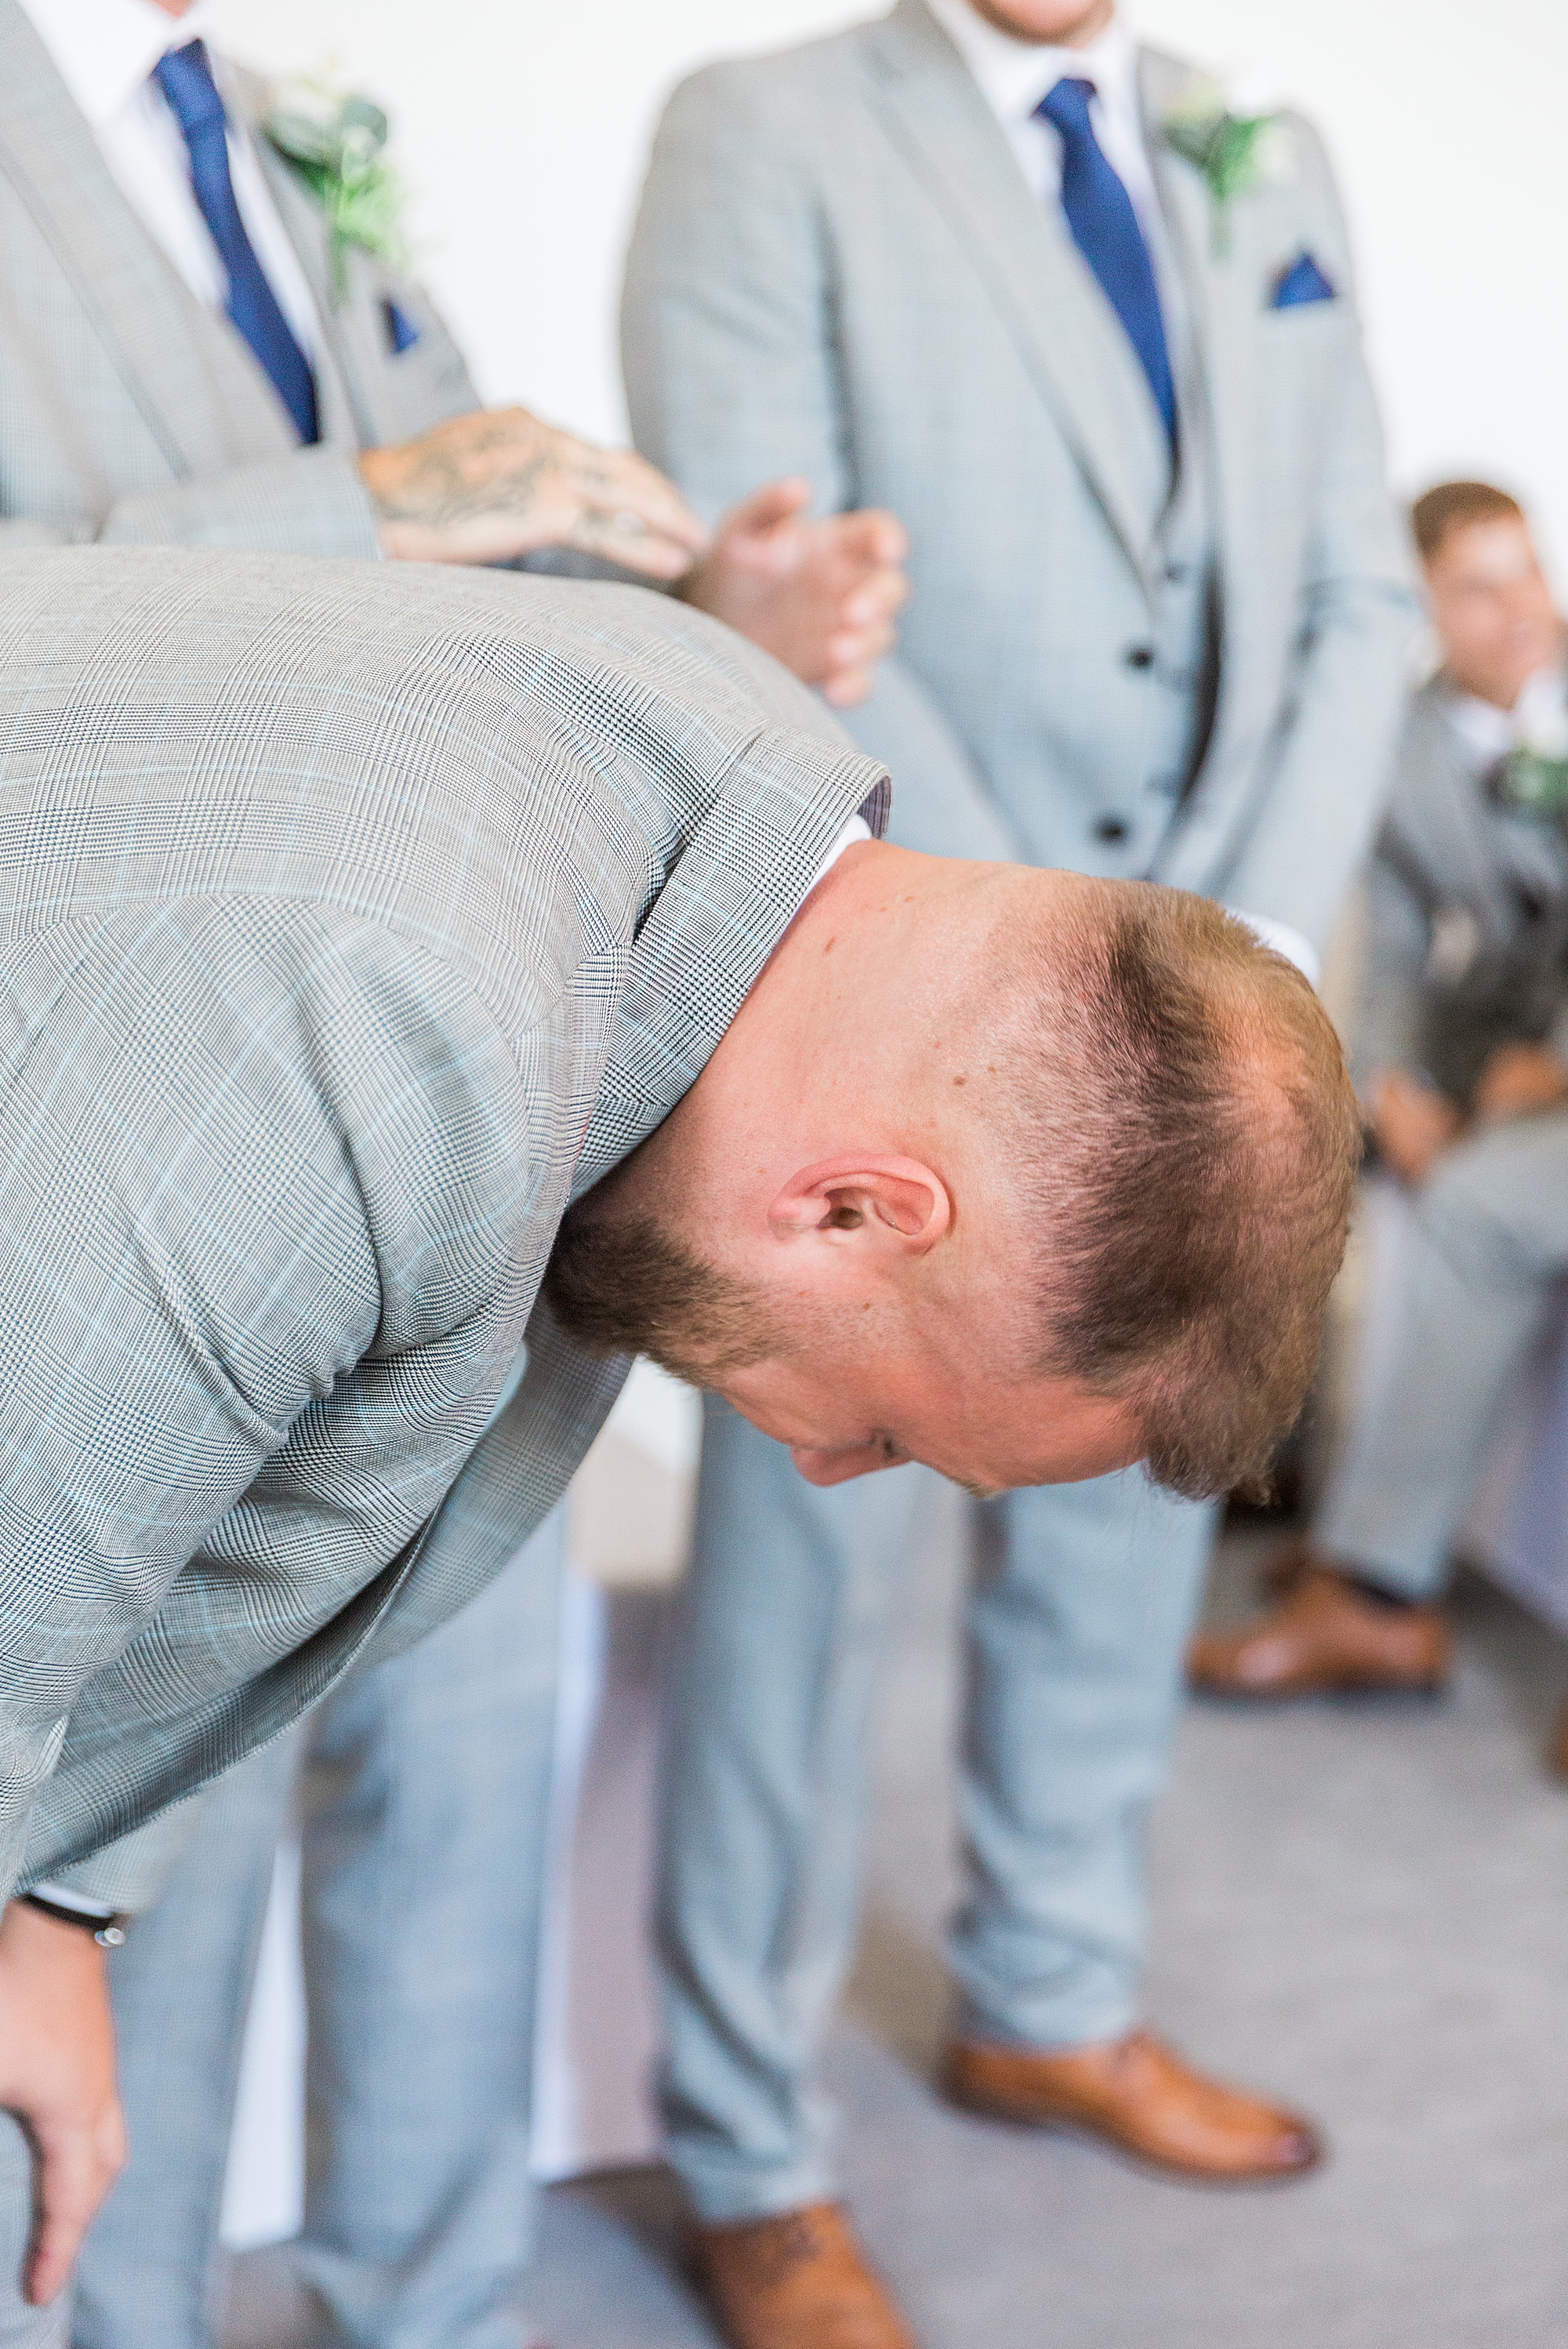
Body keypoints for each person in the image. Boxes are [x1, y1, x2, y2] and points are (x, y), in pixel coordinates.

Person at [0, 542, 1362, 2349]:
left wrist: (59, 1902)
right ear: (862, 1209)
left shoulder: (738, 807)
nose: (819, 1465)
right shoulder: (394, 1026)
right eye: (884, 1428)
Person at [0, 3, 905, 2342]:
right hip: (138, 1139)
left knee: (471, 1772)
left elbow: (482, 626)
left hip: (472, 1154)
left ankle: (444, 2301)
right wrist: (379, 507)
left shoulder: (299, 146)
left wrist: (723, 636)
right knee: (119, 1861)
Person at [621, 0, 1416, 2336]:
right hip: (909, 1001)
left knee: (1128, 1500)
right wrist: (1057, 968)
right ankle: (748, 2145)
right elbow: (782, 611)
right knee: (808, 1566)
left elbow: (1361, 584)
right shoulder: (756, 130)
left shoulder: (1258, 149)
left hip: (1215, 967)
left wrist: (1234, 947)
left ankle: (1046, 1994)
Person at [1190, 479, 1568, 1781]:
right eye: (1481, 586)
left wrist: (1550, 1076)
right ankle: (1274, 1472)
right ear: (1419, 610)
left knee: (1472, 1208)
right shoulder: (1403, 747)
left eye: (1531, 572)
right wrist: (1394, 1079)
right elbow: (1400, 943)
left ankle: (1374, 1584)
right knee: (1279, 1145)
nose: (1524, 609)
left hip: (1551, 1067)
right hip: (1496, 1056)